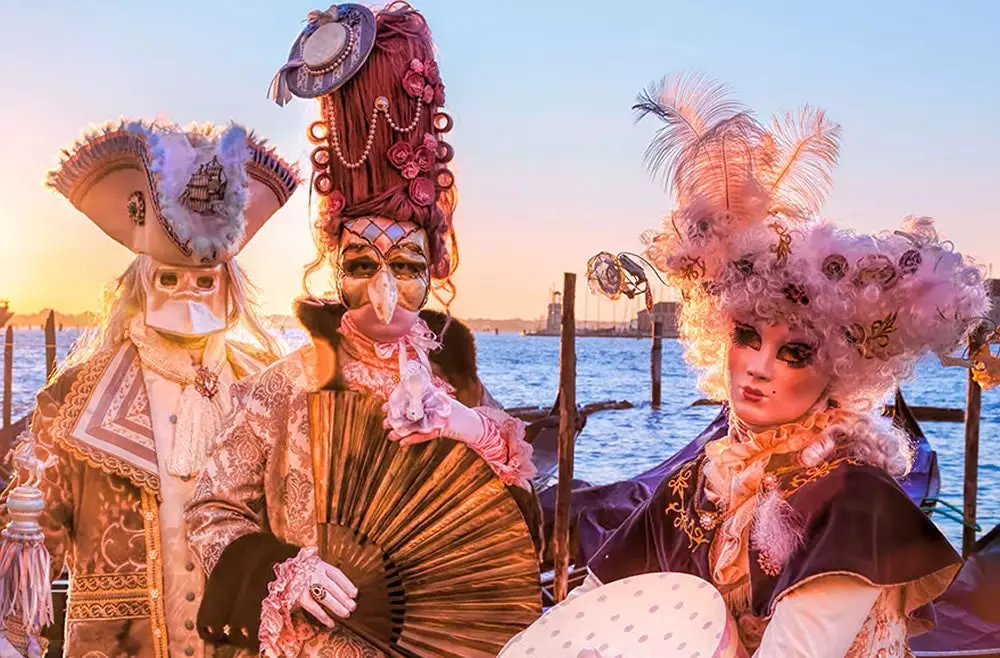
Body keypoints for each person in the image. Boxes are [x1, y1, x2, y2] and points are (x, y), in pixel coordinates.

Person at [514, 75, 992, 656]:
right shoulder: (699, 483)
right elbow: (590, 611)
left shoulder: (850, 500)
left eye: (795, 352)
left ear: (839, 368)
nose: (759, 367)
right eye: (747, 336)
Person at [184, 4, 539, 657]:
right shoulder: (279, 390)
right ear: (333, 265)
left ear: (435, 270)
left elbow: (509, 527)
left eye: (406, 266)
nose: (382, 291)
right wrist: (286, 573)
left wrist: (466, 426)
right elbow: (211, 514)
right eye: (360, 263)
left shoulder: (454, 386)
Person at [0, 120, 299, 657]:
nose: (188, 290)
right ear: (142, 282)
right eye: (169, 278)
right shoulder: (77, 396)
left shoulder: (265, 390)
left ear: (229, 288)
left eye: (205, 280)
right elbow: (30, 536)